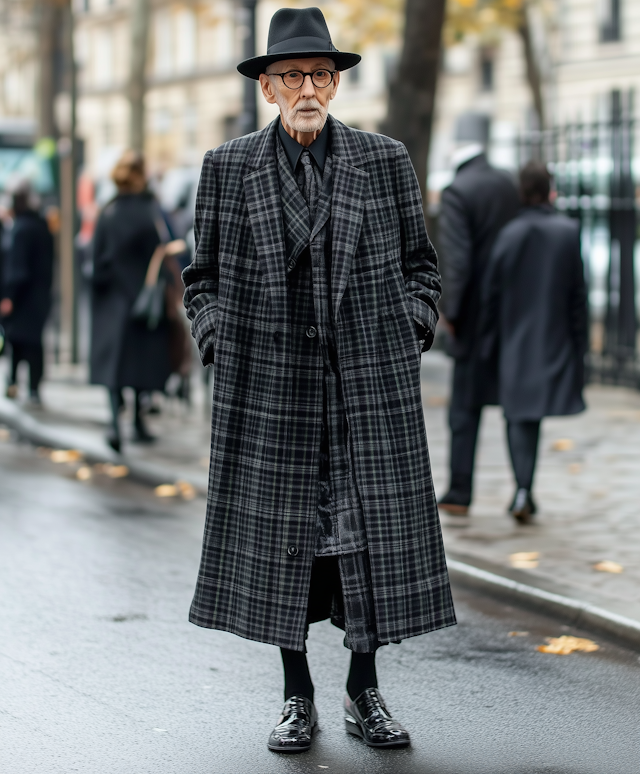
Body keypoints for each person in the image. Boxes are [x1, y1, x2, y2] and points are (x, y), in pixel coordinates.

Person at [182, 6, 456, 754]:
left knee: (365, 548)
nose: (309, 87)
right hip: (271, 394)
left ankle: (364, 690)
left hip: (367, 389)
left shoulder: (385, 160)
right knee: (288, 552)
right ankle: (296, 697)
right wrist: (219, 343)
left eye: (321, 74)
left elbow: (422, 267)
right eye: (293, 75)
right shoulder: (226, 167)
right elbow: (199, 280)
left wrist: (409, 326)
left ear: (335, 84)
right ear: (268, 88)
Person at [479, 161, 588, 523]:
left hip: (514, 340)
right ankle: (525, 488)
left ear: (522, 192)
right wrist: (580, 345)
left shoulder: (508, 235)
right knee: (533, 416)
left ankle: (522, 488)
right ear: (550, 189)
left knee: (517, 416)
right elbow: (577, 297)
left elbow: (490, 297)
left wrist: (485, 344)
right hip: (552, 338)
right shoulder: (568, 231)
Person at [438, 144, 520, 515]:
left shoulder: (458, 191)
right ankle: (523, 490)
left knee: (464, 410)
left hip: (473, 318)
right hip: (513, 314)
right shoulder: (509, 184)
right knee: (517, 406)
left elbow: (457, 259)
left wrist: (450, 311)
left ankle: (459, 491)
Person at [90, 151, 181, 452]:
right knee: (142, 364)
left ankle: (115, 423)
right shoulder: (148, 211)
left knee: (114, 367)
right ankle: (139, 423)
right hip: (144, 300)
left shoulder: (108, 212)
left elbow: (96, 260)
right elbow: (161, 251)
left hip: (112, 300)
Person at [0, 186, 54, 404]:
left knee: (17, 342)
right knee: (34, 344)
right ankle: (33, 388)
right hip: (40, 295)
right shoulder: (42, 227)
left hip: (23, 297)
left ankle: (13, 382)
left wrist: (9, 296)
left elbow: (17, 268)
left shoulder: (20, 230)